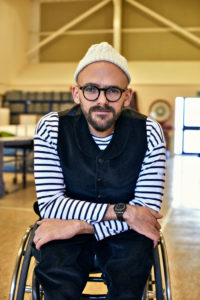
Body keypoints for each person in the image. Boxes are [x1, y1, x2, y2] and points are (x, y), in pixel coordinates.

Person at [33, 42, 166, 300]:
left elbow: (146, 213)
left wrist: (76, 226)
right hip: (106, 227)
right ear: (76, 93)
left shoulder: (149, 131)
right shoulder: (51, 128)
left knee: (131, 280)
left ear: (127, 96)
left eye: (113, 91)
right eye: (91, 89)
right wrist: (125, 212)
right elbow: (51, 205)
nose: (102, 100)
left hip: (123, 236)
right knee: (56, 278)